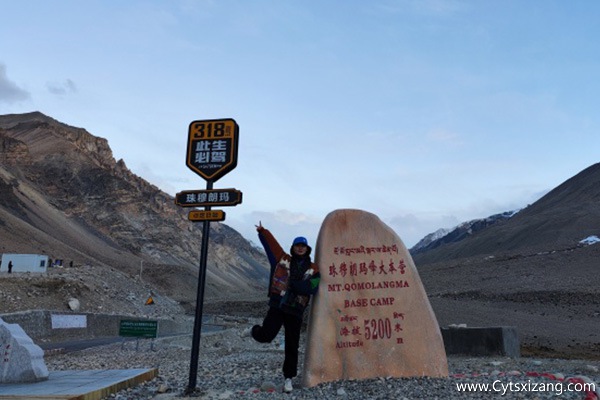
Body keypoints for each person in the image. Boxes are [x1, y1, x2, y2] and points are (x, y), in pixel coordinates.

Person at [243, 222, 320, 393]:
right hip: (278, 305)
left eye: (303, 246)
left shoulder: (314, 269)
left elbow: (312, 288)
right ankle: (253, 330)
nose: (300, 248)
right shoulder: (282, 259)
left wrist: (295, 285)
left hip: (296, 311)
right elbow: (272, 245)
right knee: (266, 336)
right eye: (297, 246)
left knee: (292, 346)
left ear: (307, 249)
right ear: (293, 248)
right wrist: (263, 232)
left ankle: (288, 379)